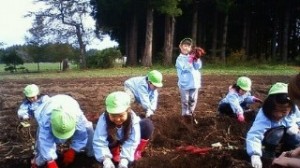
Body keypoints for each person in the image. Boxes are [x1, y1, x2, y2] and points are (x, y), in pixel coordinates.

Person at [93, 91, 154, 168]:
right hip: (113, 139)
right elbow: (99, 140)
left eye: (121, 115)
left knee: (147, 125)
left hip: (126, 136)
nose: (117, 119)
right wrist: (106, 159)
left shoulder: (133, 119)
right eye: (113, 115)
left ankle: (136, 151)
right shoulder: (104, 119)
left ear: (128, 110)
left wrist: (125, 159)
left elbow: (133, 139)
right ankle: (113, 151)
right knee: (97, 130)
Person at [31, 94, 94, 168]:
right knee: (41, 143)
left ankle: (92, 155)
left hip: (69, 103)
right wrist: (50, 161)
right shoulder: (45, 121)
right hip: (48, 106)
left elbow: (81, 136)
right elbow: (45, 142)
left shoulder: (77, 118)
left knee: (89, 129)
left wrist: (73, 150)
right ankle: (37, 162)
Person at [246, 82, 300, 168]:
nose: (278, 115)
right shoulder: (264, 116)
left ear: (290, 108)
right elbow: (255, 134)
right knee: (277, 134)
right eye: (275, 110)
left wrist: (296, 126)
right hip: (270, 136)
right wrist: (255, 154)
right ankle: (269, 155)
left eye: (283, 112)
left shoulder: (294, 110)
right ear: (269, 106)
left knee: (296, 137)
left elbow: (298, 119)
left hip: (287, 135)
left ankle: (289, 153)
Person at [175, 38, 203, 123]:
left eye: (188, 46)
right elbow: (184, 69)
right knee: (185, 101)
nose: (186, 48)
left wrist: (197, 58)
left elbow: (198, 67)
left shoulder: (193, 57)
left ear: (190, 48)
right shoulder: (179, 59)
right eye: (184, 46)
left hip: (194, 83)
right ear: (180, 47)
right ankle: (184, 115)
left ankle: (190, 114)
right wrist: (189, 61)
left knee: (192, 100)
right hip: (184, 84)